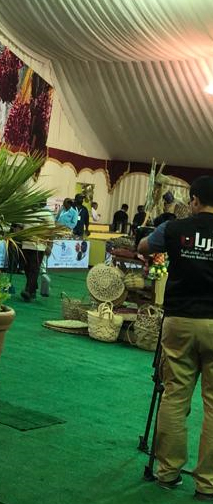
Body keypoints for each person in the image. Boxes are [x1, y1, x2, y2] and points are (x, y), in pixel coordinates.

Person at [138, 176, 213, 498]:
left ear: (194, 200)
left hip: (180, 320)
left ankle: (167, 472)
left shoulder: (173, 228)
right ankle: (208, 483)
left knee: (174, 395)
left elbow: (142, 247)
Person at [20, 206, 55, 301]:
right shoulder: (27, 212)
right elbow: (20, 226)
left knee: (34, 269)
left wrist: (49, 246)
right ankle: (33, 289)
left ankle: (28, 290)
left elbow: (51, 231)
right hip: (25, 245)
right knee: (27, 268)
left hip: (39, 246)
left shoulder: (47, 214)